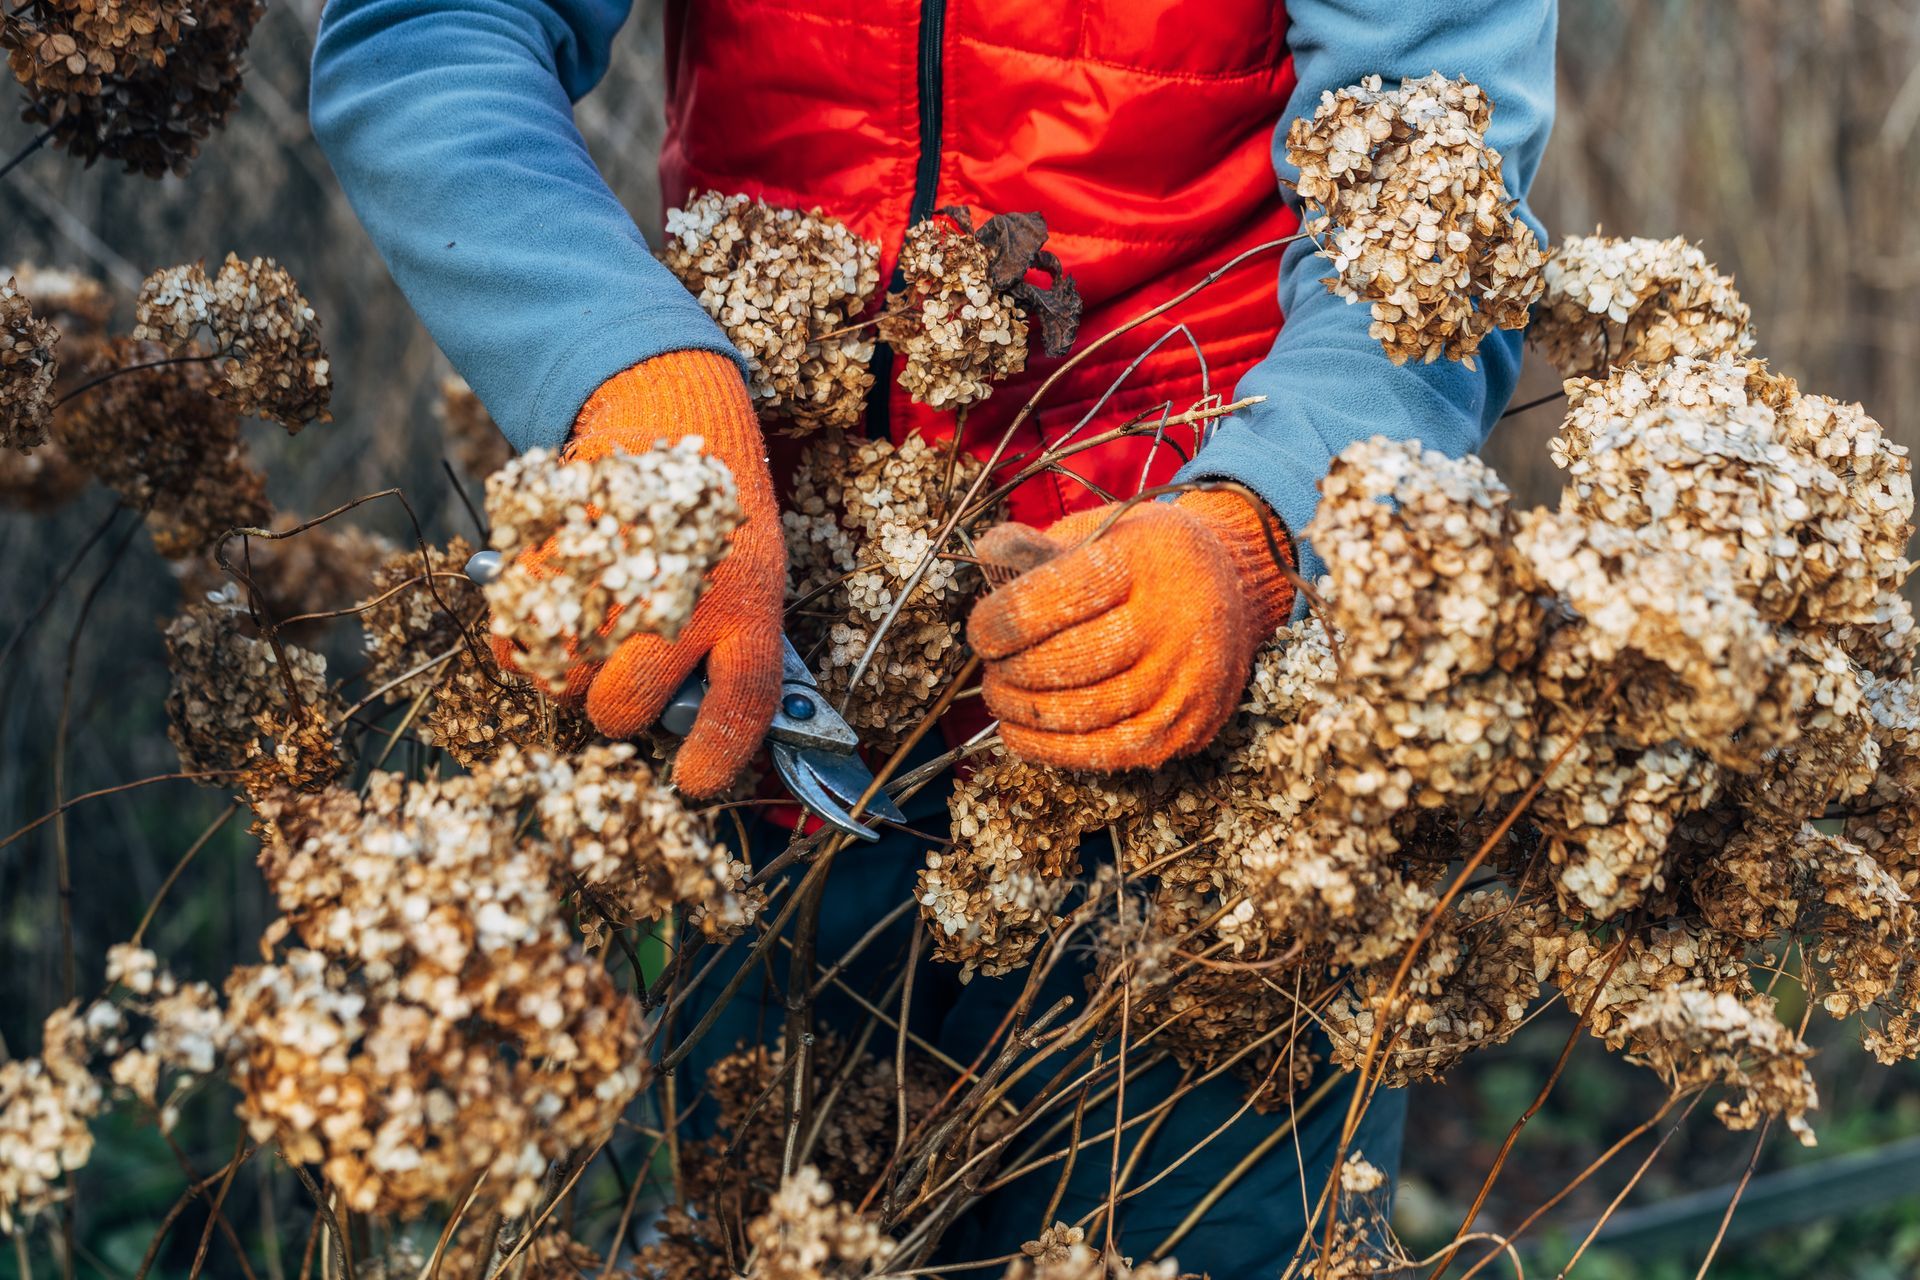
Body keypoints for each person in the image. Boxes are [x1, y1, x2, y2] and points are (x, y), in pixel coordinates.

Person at [310, 1, 1555, 1271]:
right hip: (774, 705)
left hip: (1208, 769)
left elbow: (1445, 175)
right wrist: (620, 374)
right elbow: (430, 33)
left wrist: (1268, 524)